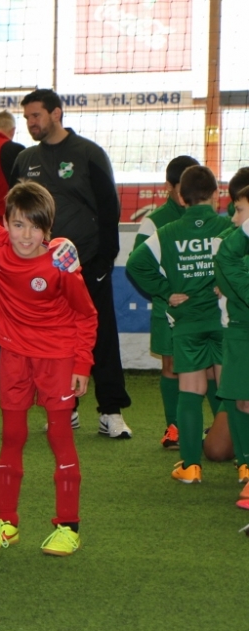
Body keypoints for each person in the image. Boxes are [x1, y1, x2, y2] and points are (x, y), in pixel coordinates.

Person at [0, 181, 95, 557]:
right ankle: (6, 522)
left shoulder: (60, 262)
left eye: (35, 228)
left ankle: (68, 527)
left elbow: (86, 315)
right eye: (18, 225)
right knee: (12, 437)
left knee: (60, 437)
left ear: (48, 230)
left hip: (58, 357)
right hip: (14, 357)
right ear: (5, 222)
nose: (25, 235)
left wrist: (82, 363)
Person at [10, 88, 132, 438]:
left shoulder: (88, 153)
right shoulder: (24, 160)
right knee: (54, 339)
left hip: (88, 263)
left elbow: (108, 208)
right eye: (27, 117)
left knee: (101, 335)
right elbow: (14, 213)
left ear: (56, 113)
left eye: (36, 115)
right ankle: (66, 407)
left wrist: (104, 259)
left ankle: (111, 412)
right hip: (41, 271)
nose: (31, 123)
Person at [127, 166, 231, 483]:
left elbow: (135, 264)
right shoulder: (228, 227)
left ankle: (190, 466)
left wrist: (165, 291)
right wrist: (226, 282)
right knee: (231, 390)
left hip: (187, 323)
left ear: (181, 198)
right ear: (216, 195)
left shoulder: (168, 232)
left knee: (190, 391)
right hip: (223, 322)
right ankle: (245, 466)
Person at [132, 155, 200, 449]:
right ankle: (174, 428)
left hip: (204, 308)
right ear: (169, 187)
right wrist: (166, 293)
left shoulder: (208, 220)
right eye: (181, 188)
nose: (186, 195)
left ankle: (215, 429)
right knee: (172, 366)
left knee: (210, 368)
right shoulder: (154, 221)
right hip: (168, 308)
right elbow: (139, 264)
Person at [215, 185, 249, 504]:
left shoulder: (234, 247)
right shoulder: (233, 242)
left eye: (240, 211)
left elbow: (227, 263)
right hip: (238, 333)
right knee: (240, 402)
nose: (234, 218)